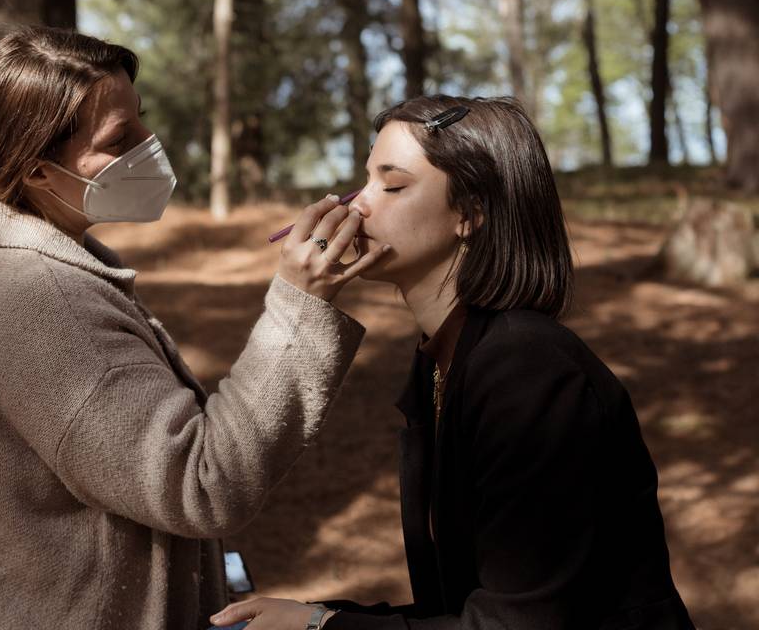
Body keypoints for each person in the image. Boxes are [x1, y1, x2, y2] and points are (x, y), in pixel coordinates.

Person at [0, 27, 390, 630]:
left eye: (142, 122)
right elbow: (204, 482)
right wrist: (301, 301)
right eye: (119, 139)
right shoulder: (39, 301)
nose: (149, 146)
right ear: (39, 173)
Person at [210, 96, 695, 629]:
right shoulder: (444, 359)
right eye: (365, 181)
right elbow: (466, 604)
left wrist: (320, 627)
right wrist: (318, 615)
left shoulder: (529, 370)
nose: (358, 206)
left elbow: (519, 622)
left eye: (392, 185)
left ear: (471, 213)